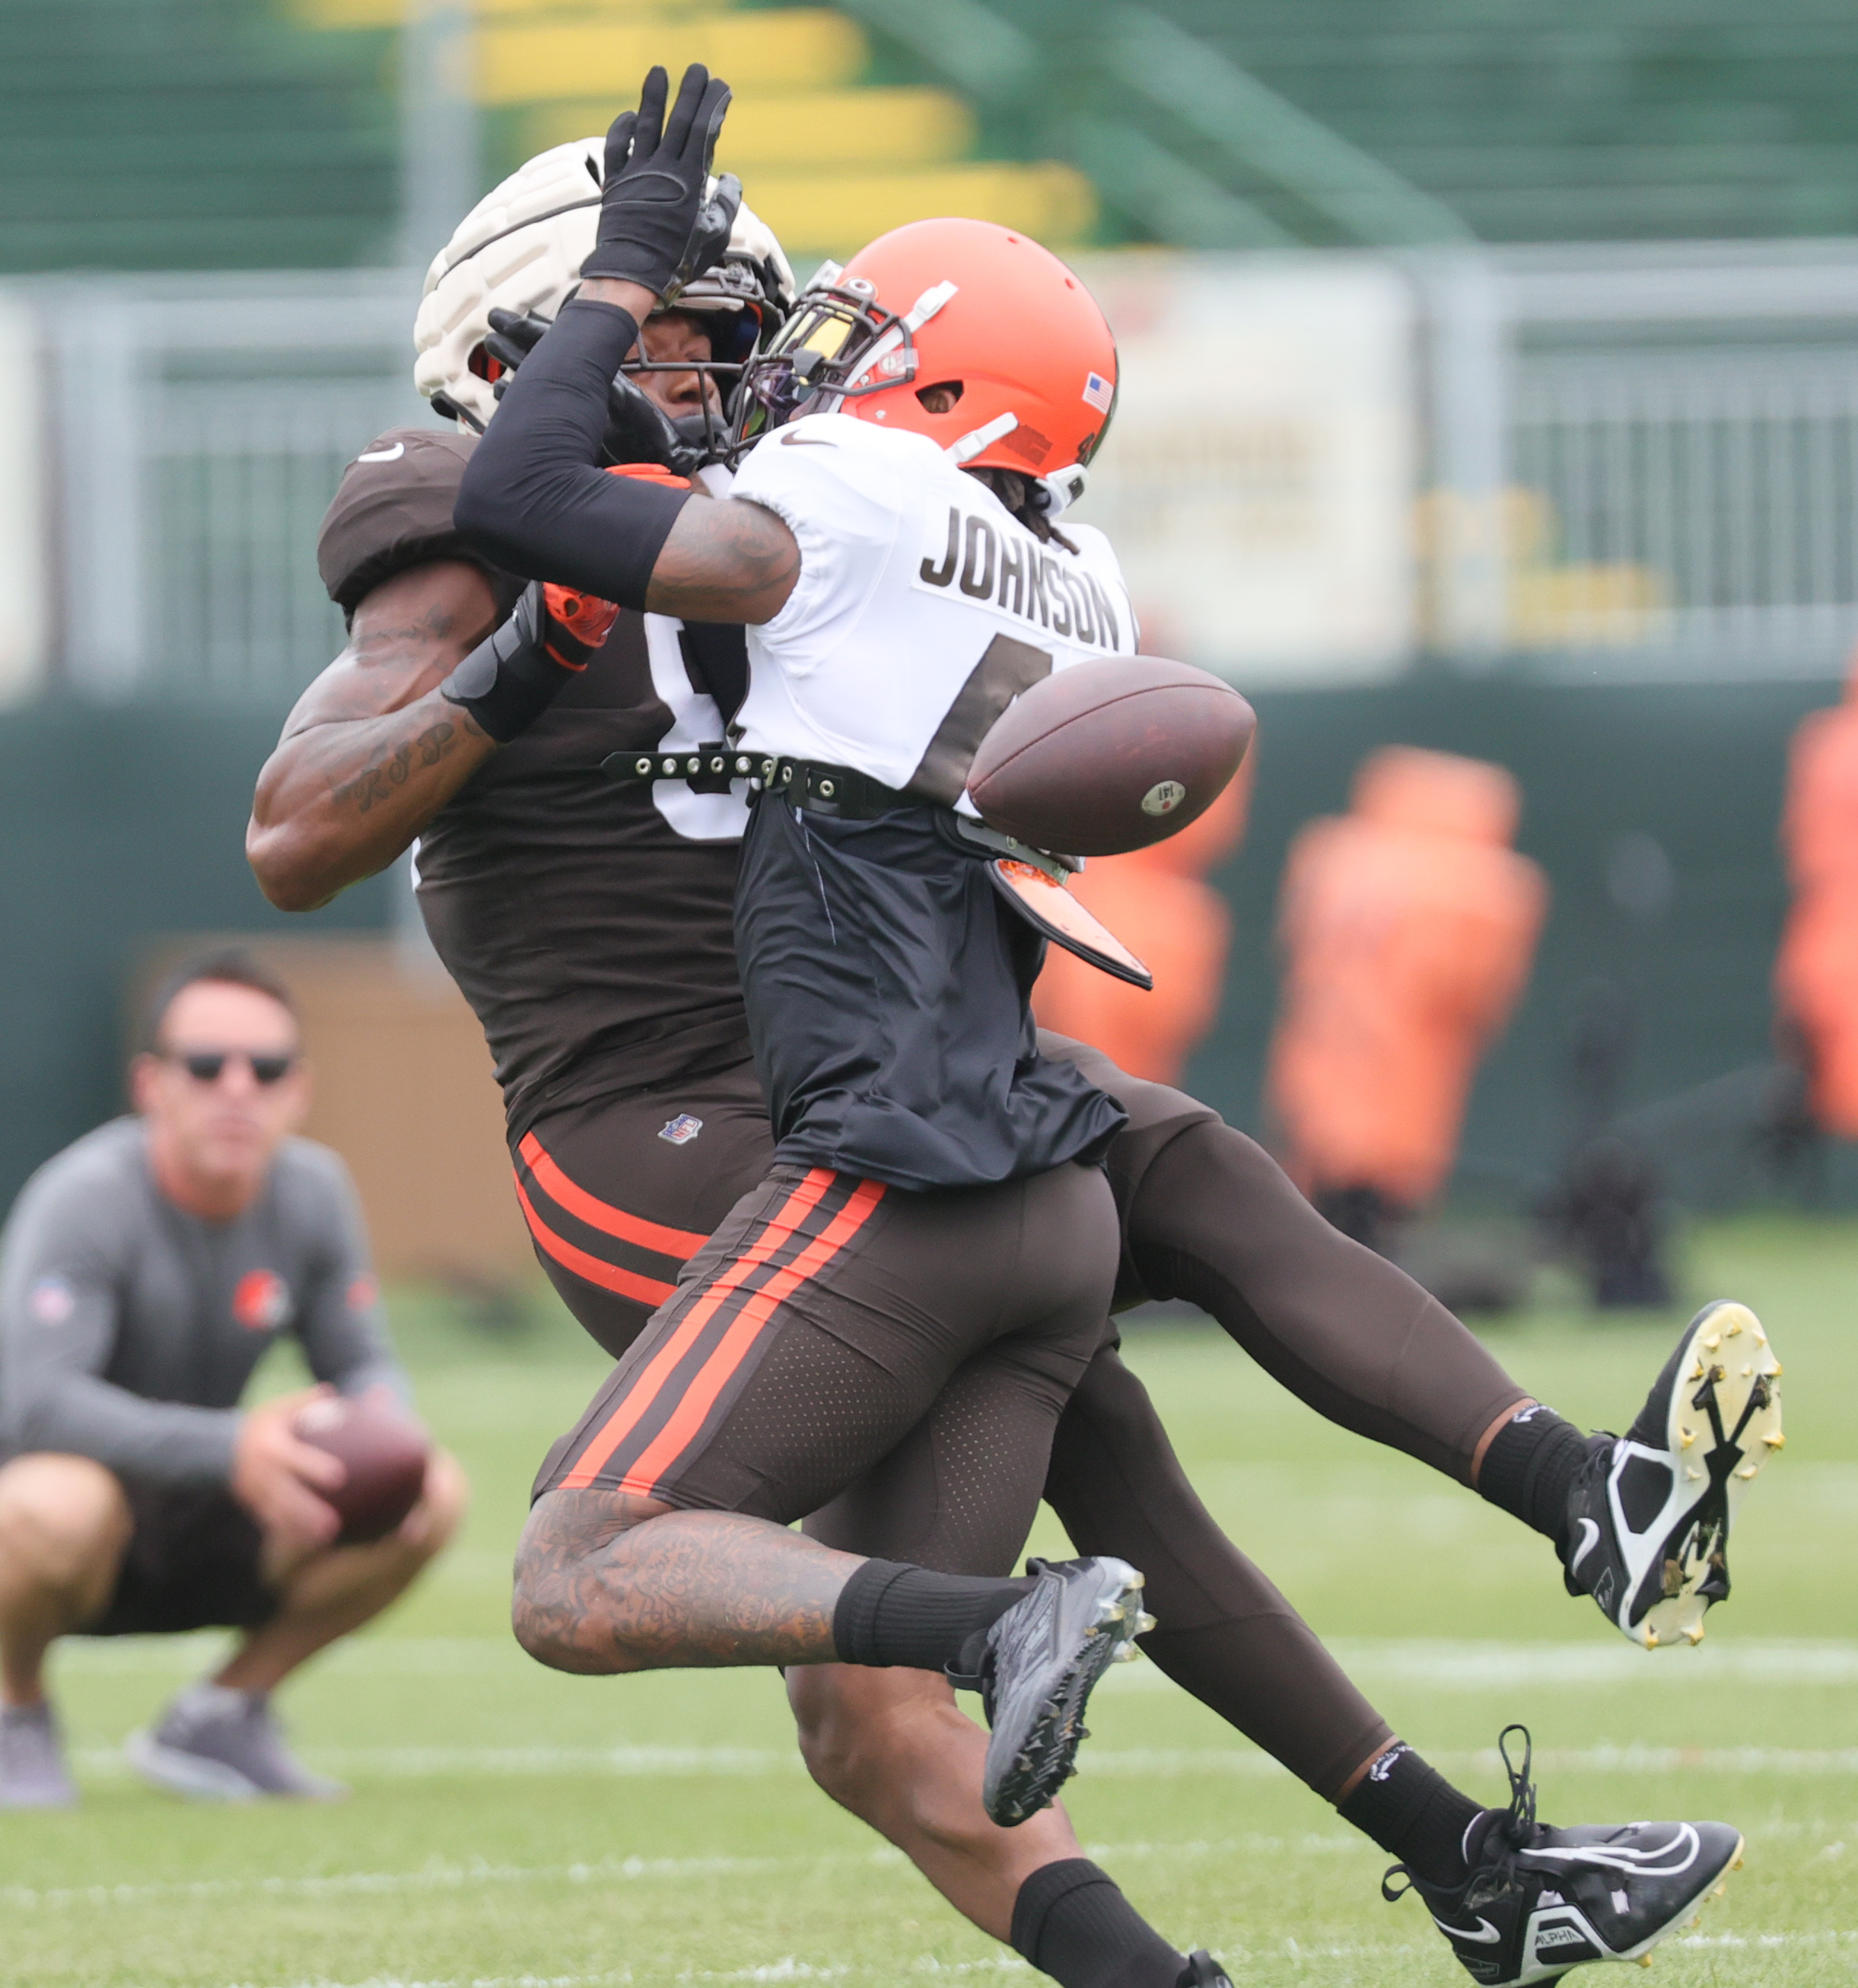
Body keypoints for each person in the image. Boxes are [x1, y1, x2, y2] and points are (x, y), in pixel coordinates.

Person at [247, 81, 1767, 1987]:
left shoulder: (824, 512)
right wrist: (529, 643)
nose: (742, 370)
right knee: (943, 1593)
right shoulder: (460, 522)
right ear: (526, 336)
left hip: (887, 1077)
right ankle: (1454, 1844)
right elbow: (299, 831)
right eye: (701, 330)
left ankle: (1493, 1759)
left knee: (1155, 1228)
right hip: (664, 1133)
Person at [0, 952, 467, 1808]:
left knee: (428, 1487)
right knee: (49, 1502)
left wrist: (366, 1446)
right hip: (66, 1526)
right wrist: (233, 1446)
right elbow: (36, 1405)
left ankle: (220, 1717)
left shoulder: (314, 1192)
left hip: (209, 1511)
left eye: (269, 1068)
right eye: (207, 1065)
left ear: (300, 1089)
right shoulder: (84, 1198)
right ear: (152, 1084)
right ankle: (12, 1715)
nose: (238, 1089)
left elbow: (362, 1366)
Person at [1268, 746, 1548, 1258]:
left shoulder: (1332, 857)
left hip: (1325, 1079)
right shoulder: (1476, 884)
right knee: (1376, 1211)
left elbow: (1290, 946)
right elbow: (1476, 993)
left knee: (1326, 1197)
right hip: (1396, 1099)